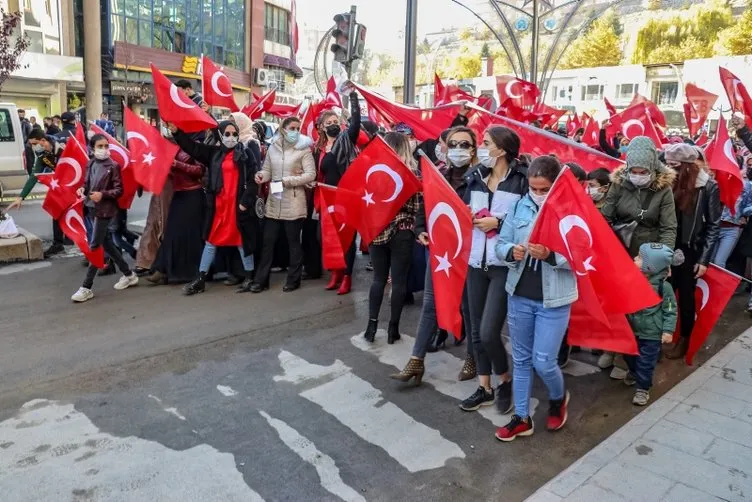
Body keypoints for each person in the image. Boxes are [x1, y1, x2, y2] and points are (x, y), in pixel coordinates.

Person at [494, 155, 577, 441]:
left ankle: (557, 399)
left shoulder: (571, 210)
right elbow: (501, 243)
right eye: (534, 188)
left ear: (556, 185)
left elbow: (582, 253)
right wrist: (509, 252)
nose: (538, 194)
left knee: (543, 361)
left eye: (544, 189)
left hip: (554, 298)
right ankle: (521, 417)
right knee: (521, 359)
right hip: (519, 294)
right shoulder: (519, 205)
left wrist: (552, 256)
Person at [390, 126, 477, 384]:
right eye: (453, 144)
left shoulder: (480, 180)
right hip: (440, 253)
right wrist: (420, 231)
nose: (458, 150)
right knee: (430, 304)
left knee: (468, 307)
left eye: (464, 145)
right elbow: (424, 209)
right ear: (445, 147)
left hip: (468, 254)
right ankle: (416, 360)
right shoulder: (437, 176)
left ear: (473, 151)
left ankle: (473, 358)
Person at [458, 126, 527, 414]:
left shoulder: (522, 181)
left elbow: (528, 222)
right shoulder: (474, 177)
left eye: (486, 143)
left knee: (489, 332)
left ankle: (505, 379)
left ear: (501, 148)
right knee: (475, 331)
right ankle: (485, 388)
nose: (480, 147)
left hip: (503, 265)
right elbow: (461, 210)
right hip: (476, 262)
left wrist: (497, 225)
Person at [171, 120, 260, 295]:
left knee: (242, 242)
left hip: (237, 206)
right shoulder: (213, 153)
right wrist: (177, 132)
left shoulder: (246, 154)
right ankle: (201, 279)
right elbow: (192, 148)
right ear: (220, 135)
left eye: (234, 133)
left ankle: (250, 277)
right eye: (227, 134)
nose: (231, 137)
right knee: (211, 242)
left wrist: (244, 203)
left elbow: (252, 181)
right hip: (219, 207)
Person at [664, 142, 721, 359]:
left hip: (690, 250)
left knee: (686, 298)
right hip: (666, 247)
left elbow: (714, 225)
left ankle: (685, 338)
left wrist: (704, 259)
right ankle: (662, 335)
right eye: (668, 164)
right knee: (664, 293)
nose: (670, 169)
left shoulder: (708, 186)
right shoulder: (666, 181)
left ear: (688, 166)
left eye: (675, 166)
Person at [363, 132, 421, 345]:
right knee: (398, 282)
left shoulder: (372, 171)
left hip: (376, 229)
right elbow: (416, 207)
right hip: (403, 231)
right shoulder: (412, 173)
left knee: (378, 279)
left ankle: (371, 325)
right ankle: (392, 329)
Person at [71, 134, 139, 302]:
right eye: (100, 146)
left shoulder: (113, 165)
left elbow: (119, 190)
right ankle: (129, 274)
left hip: (105, 210)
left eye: (106, 146)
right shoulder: (91, 163)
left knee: (95, 246)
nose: (104, 149)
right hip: (91, 207)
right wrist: (82, 189)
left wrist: (103, 194)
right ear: (92, 148)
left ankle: (86, 287)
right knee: (106, 244)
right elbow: (87, 184)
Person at [251, 116, 316, 293]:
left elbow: (311, 175)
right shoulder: (273, 147)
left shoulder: (304, 150)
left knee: (293, 242)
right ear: (283, 129)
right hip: (274, 201)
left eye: (297, 128)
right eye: (292, 128)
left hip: (294, 201)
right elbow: (267, 170)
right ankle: (261, 280)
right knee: (268, 242)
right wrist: (261, 176)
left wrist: (287, 181)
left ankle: (293, 280)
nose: (295, 131)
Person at [316, 91, 362, 294]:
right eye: (329, 122)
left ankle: (347, 277)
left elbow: (356, 123)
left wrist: (352, 99)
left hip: (346, 196)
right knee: (328, 237)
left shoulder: (346, 139)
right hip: (328, 198)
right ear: (322, 127)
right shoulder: (320, 148)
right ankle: (336, 272)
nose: (334, 124)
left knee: (348, 238)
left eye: (336, 120)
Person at [146, 131, 206, 285]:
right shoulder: (174, 148)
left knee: (189, 235)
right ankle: (162, 268)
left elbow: (199, 171)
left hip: (193, 194)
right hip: (179, 193)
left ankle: (188, 270)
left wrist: (177, 165)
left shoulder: (195, 148)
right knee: (171, 232)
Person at [601, 136, 677, 258]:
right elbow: (605, 217)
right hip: (620, 247)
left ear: (652, 168)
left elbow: (668, 228)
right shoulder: (619, 183)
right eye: (633, 172)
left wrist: (663, 257)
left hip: (648, 253)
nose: (637, 176)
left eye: (643, 173)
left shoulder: (663, 189)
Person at [626, 243, 678, 406]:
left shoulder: (665, 287)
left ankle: (643, 388)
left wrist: (668, 330)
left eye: (640, 257)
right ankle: (634, 372)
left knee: (646, 362)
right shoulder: (632, 280)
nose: (635, 258)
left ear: (650, 266)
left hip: (652, 333)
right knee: (629, 356)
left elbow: (670, 310)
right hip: (633, 330)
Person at [6, 129, 67, 257]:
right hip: (61, 186)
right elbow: (35, 176)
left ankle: (92, 247)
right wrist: (21, 197)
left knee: (83, 216)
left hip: (77, 185)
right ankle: (58, 244)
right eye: (31, 145)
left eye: (34, 144)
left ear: (43, 141)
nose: (33, 147)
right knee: (56, 211)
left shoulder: (63, 147)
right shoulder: (42, 155)